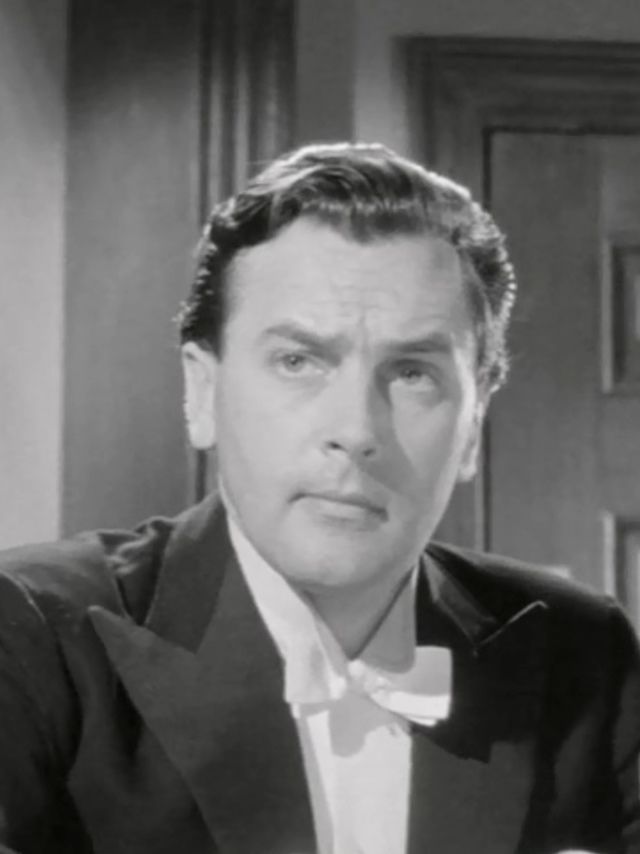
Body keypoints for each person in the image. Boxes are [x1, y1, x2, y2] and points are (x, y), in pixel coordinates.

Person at [0, 143, 638, 854]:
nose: (356, 431)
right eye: (297, 361)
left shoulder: (584, 654)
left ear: (474, 423)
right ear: (202, 392)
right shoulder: (32, 633)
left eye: (413, 373)